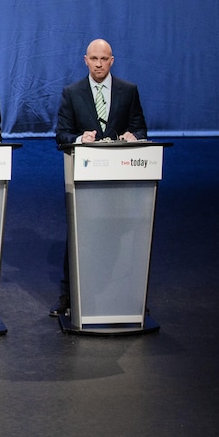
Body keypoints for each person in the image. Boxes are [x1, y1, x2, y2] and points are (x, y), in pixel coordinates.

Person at [50, 38, 148, 316]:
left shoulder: (128, 91)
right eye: (94, 59)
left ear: (112, 61)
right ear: (85, 60)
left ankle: (130, 297)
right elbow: (61, 135)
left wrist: (134, 136)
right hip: (85, 180)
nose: (98, 64)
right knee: (79, 236)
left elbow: (140, 129)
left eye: (104, 59)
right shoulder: (72, 92)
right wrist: (81, 138)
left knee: (122, 237)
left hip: (121, 181)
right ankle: (69, 297)